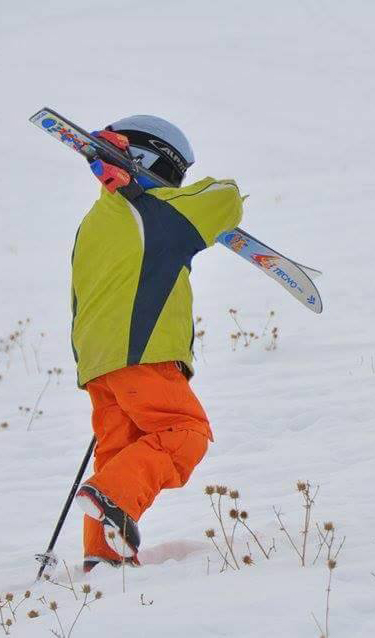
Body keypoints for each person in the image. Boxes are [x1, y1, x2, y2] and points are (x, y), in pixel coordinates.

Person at [71, 115, 243, 572]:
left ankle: (103, 557)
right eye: (175, 174)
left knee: (119, 451)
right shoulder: (160, 213)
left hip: (99, 362)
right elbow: (224, 197)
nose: (177, 185)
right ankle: (112, 496)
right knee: (186, 432)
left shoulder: (95, 222)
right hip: (144, 352)